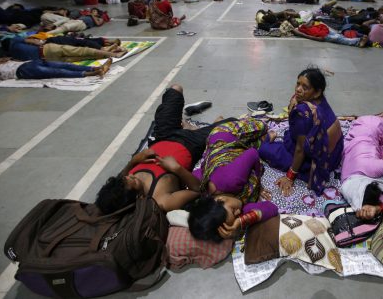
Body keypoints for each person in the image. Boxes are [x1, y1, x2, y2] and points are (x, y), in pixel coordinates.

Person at [95, 84, 236, 214]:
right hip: (191, 144)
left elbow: (124, 175)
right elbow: (199, 190)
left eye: (127, 176)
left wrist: (135, 160)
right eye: (132, 180)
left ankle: (193, 128)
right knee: (234, 124)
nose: (130, 175)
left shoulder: (122, 183)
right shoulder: (162, 201)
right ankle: (195, 129)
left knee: (175, 89)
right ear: (138, 197)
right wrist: (177, 169)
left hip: (163, 135)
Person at [188, 118, 279, 241]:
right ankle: (264, 140)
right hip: (234, 153)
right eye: (236, 217)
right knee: (262, 144)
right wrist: (242, 221)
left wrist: (259, 183)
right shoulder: (231, 214)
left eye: (233, 211)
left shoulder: (230, 180)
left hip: (224, 136)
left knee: (263, 126)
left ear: (220, 199)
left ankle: (221, 122)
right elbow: (272, 208)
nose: (238, 213)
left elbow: (252, 154)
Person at [259, 68, 344, 196]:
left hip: (315, 163)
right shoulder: (320, 100)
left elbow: (300, 149)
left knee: (263, 150)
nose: (298, 89)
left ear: (316, 92)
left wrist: (290, 176)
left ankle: (270, 139)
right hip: (334, 155)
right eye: (298, 84)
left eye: (305, 87)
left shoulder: (303, 113)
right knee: (292, 134)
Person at [0, 56, 111, 85]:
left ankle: (96, 68)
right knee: (56, 72)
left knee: (63, 65)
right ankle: (91, 73)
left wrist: (7, 59)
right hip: (22, 71)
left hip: (28, 63)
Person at [7, 36, 126, 62]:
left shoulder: (13, 53)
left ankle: (110, 53)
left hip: (46, 56)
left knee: (80, 55)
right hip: (46, 52)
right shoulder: (15, 43)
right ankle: (111, 53)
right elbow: (32, 41)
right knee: (81, 52)